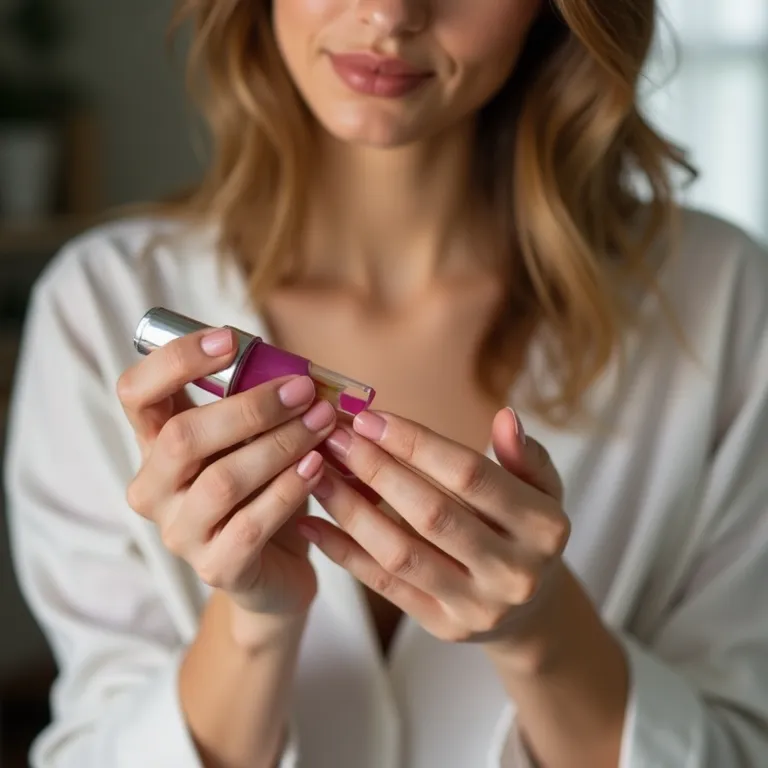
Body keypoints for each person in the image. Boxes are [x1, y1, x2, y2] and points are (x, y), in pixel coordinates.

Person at [5, 0, 768, 766]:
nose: (389, 13)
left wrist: (545, 636)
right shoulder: (98, 306)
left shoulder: (723, 301)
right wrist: (251, 625)